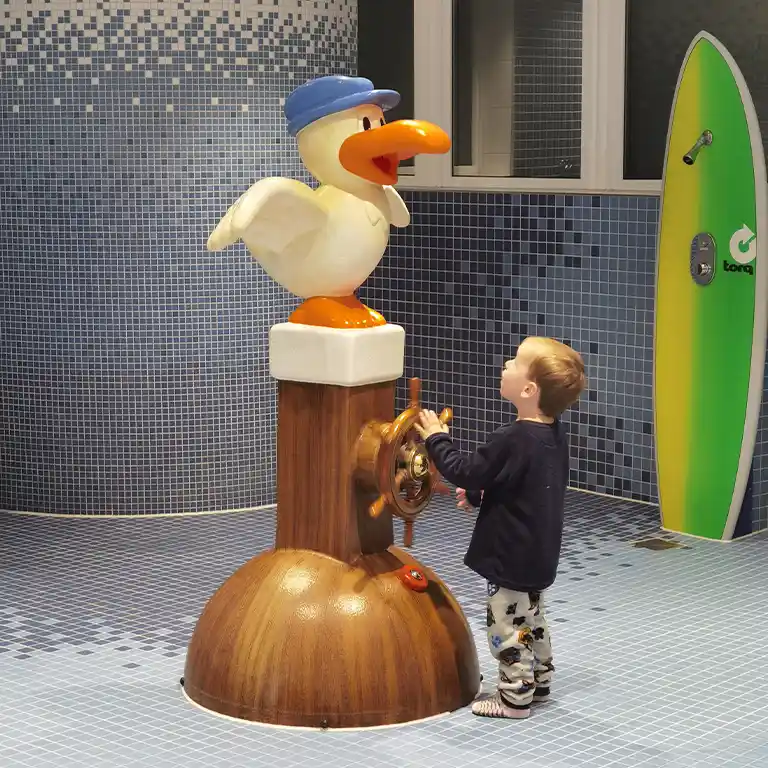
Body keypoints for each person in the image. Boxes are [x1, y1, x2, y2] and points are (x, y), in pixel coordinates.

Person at [416, 337, 586, 720]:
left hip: (510, 554)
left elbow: (465, 470)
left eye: (514, 361)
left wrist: (435, 438)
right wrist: (479, 498)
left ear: (528, 390)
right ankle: (538, 680)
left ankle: (513, 697)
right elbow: (522, 488)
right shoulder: (553, 436)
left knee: (505, 623)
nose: (505, 363)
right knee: (532, 617)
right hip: (539, 552)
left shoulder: (512, 438)